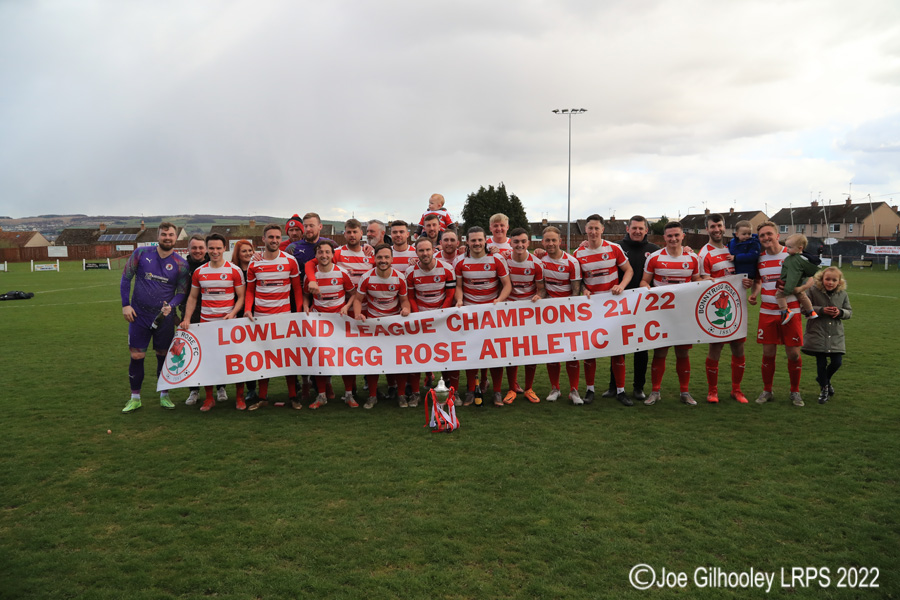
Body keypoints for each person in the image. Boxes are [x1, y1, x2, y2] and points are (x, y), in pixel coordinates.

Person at [120, 222, 190, 413]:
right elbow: (126, 278)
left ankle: (164, 395)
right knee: (137, 355)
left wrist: (171, 306)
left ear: (176, 238)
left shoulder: (181, 264)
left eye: (171, 235)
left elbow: (182, 292)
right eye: (164, 234)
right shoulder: (141, 254)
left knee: (163, 356)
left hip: (164, 319)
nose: (168, 237)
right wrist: (125, 304)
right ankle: (135, 398)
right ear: (158, 236)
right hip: (138, 315)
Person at [179, 234, 246, 411]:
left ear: (224, 248)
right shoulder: (200, 272)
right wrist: (186, 318)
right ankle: (209, 398)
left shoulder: (234, 270)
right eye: (212, 248)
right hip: (207, 324)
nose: (215, 252)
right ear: (207, 249)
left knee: (236, 361)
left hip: (229, 325)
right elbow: (193, 298)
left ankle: (239, 397)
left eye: (218, 248)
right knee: (208, 362)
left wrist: (232, 313)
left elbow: (241, 297)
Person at [641, 220, 701, 406]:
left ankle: (685, 392)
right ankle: (655, 391)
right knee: (660, 353)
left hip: (684, 315)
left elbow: (698, 281)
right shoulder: (654, 258)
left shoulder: (693, 259)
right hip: (662, 315)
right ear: (664, 237)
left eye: (677, 235)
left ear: (683, 236)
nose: (673, 238)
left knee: (682, 354)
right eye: (669, 236)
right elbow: (644, 281)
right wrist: (648, 290)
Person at [574, 215, 633, 405]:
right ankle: (590, 390)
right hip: (591, 309)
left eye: (596, 228)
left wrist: (622, 286)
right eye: (590, 228)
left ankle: (621, 391)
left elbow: (629, 270)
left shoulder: (614, 248)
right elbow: (578, 280)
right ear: (585, 230)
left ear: (602, 230)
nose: (593, 232)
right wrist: (584, 289)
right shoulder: (578, 253)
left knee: (617, 350)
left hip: (613, 307)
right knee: (590, 349)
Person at [245, 224, 303, 410]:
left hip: (284, 318)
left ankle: (293, 396)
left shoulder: (290, 261)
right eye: (271, 237)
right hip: (261, 318)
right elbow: (250, 291)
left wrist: (299, 312)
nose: (274, 240)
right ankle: (262, 397)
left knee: (288, 358)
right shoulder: (254, 263)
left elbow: (296, 289)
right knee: (264, 358)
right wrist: (247, 309)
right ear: (263, 239)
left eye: (278, 237)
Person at [750, 221, 808, 407]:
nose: (766, 238)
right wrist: (754, 294)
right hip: (767, 311)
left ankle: (795, 391)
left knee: (793, 354)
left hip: (791, 311)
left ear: (777, 235)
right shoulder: (759, 259)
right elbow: (758, 281)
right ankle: (768, 390)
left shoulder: (792, 255)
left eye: (769, 234)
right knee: (768, 353)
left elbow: (807, 280)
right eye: (762, 235)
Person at [602, 216, 659, 401]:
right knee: (617, 347)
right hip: (618, 304)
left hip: (644, 306)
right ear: (628, 229)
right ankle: (614, 387)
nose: (637, 231)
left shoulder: (654, 250)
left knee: (641, 348)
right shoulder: (616, 247)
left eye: (641, 228)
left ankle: (638, 388)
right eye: (634, 228)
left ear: (646, 230)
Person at [455, 226, 512, 406]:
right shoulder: (460, 261)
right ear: (467, 242)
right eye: (473, 240)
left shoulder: (497, 259)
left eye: (480, 240)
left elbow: (507, 285)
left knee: (494, 353)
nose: (477, 243)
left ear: (485, 240)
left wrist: (499, 300)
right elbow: (459, 286)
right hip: (470, 314)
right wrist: (459, 301)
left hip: (492, 314)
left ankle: (496, 392)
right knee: (471, 353)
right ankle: (471, 391)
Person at [698, 213, 751, 404]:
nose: (716, 229)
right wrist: (707, 280)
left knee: (738, 347)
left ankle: (737, 390)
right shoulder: (704, 254)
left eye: (719, 226)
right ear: (707, 229)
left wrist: (747, 280)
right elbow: (701, 280)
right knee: (716, 348)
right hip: (717, 308)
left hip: (737, 306)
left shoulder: (733, 248)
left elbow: (746, 271)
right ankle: (712, 391)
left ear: (724, 227)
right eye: (712, 227)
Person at [353, 244, 411, 409]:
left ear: (392, 259)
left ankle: (401, 395)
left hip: (394, 326)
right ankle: (372, 396)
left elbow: (404, 300)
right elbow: (358, 300)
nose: (383, 260)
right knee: (374, 362)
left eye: (386, 257)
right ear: (374, 258)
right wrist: (358, 315)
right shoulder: (366, 277)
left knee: (398, 360)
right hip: (374, 326)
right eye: (380, 257)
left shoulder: (400, 278)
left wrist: (406, 309)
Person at [303, 239, 356, 408]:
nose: (324, 255)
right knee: (321, 359)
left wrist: (347, 307)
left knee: (345, 358)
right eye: (320, 252)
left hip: (339, 322)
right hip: (319, 324)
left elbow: (353, 294)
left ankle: (348, 395)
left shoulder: (341, 273)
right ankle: (321, 396)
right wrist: (305, 306)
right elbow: (306, 295)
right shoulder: (310, 276)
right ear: (316, 255)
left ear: (332, 255)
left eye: (327, 252)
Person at [405, 237, 457, 407]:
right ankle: (415, 393)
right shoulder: (410, 272)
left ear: (434, 250)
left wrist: (441, 314)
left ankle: (451, 391)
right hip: (421, 318)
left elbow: (450, 295)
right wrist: (420, 316)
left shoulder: (447, 269)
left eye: (428, 250)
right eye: (421, 250)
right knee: (417, 355)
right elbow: (411, 297)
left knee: (447, 354)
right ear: (416, 252)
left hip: (442, 318)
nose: (425, 253)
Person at [539, 226, 584, 404]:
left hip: (567, 314)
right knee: (553, 352)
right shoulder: (540, 262)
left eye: (553, 240)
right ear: (542, 242)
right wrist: (539, 297)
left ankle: (574, 390)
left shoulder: (572, 262)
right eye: (547, 240)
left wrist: (569, 312)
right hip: (549, 315)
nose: (550, 243)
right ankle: (555, 388)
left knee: (572, 353)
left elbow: (576, 291)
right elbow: (542, 288)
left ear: (560, 241)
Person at [503, 227, 545, 403]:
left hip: (529, 313)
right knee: (510, 350)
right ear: (510, 243)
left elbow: (542, 289)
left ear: (528, 243)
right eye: (516, 242)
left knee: (530, 350)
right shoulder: (503, 260)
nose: (519, 245)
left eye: (523, 241)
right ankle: (512, 388)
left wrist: (538, 296)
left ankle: (528, 388)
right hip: (509, 313)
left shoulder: (536, 264)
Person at [802, 267, 851, 404]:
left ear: (839, 281)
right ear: (822, 279)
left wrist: (840, 312)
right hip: (817, 332)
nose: (830, 282)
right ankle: (824, 389)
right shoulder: (812, 291)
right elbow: (804, 308)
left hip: (835, 334)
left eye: (834, 280)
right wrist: (822, 310)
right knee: (821, 363)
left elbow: (849, 312)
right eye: (827, 279)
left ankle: (823, 379)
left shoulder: (843, 294)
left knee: (837, 362)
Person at [180, 234, 216, 406]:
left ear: (206, 249)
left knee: (214, 354)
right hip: (189, 315)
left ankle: (220, 387)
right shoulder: (182, 267)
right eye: (194, 247)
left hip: (212, 314)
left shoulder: (213, 265)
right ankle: (194, 390)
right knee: (192, 355)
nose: (198, 251)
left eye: (201, 247)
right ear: (188, 249)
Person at [230, 239, 259, 404]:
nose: (248, 253)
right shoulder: (233, 270)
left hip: (258, 314)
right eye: (244, 251)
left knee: (259, 353)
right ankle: (249, 389)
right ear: (237, 253)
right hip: (240, 315)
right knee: (243, 355)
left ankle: (259, 390)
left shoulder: (258, 266)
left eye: (250, 250)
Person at [776, 233, 820, 324]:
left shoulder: (794, 260)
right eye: (787, 246)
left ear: (800, 248)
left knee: (779, 295)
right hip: (799, 284)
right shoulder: (804, 259)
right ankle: (811, 311)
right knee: (802, 296)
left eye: (790, 247)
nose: (787, 249)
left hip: (789, 284)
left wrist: (788, 289)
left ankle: (785, 311)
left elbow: (793, 275)